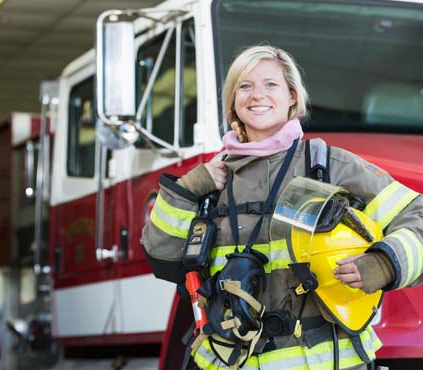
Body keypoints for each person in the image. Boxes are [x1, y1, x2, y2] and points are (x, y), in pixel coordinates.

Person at [141, 45, 423, 370]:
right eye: (244, 86)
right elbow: (163, 260)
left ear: (292, 96)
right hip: (228, 360)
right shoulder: (209, 180)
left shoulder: (328, 165)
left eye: (270, 84)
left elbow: (417, 217)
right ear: (233, 101)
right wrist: (186, 191)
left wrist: (385, 264)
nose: (256, 95)